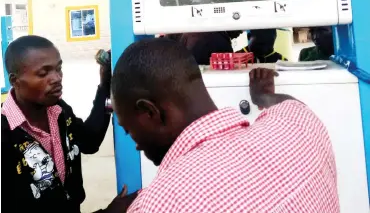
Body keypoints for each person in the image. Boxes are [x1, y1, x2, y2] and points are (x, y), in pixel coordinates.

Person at [110, 38, 339, 213]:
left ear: (151, 112)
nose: (137, 145)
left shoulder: (159, 204)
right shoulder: (299, 124)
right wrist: (263, 97)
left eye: (129, 131)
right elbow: (289, 103)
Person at [1, 35, 112, 213]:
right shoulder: (5, 135)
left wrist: (105, 87)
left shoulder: (58, 110)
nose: (56, 78)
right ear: (15, 81)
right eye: (43, 73)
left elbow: (89, 142)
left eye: (58, 69)